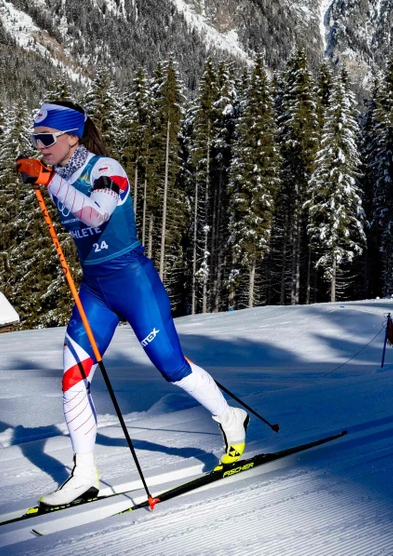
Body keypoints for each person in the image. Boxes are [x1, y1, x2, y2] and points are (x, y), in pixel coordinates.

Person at [15, 101, 248, 509]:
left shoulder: (108, 170)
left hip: (133, 280)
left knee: (171, 367)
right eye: (35, 140)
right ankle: (84, 475)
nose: (40, 146)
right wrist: (49, 179)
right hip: (95, 290)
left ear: (72, 137)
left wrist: (49, 180)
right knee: (73, 378)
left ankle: (230, 418)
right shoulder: (58, 174)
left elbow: (94, 215)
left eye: (46, 139)